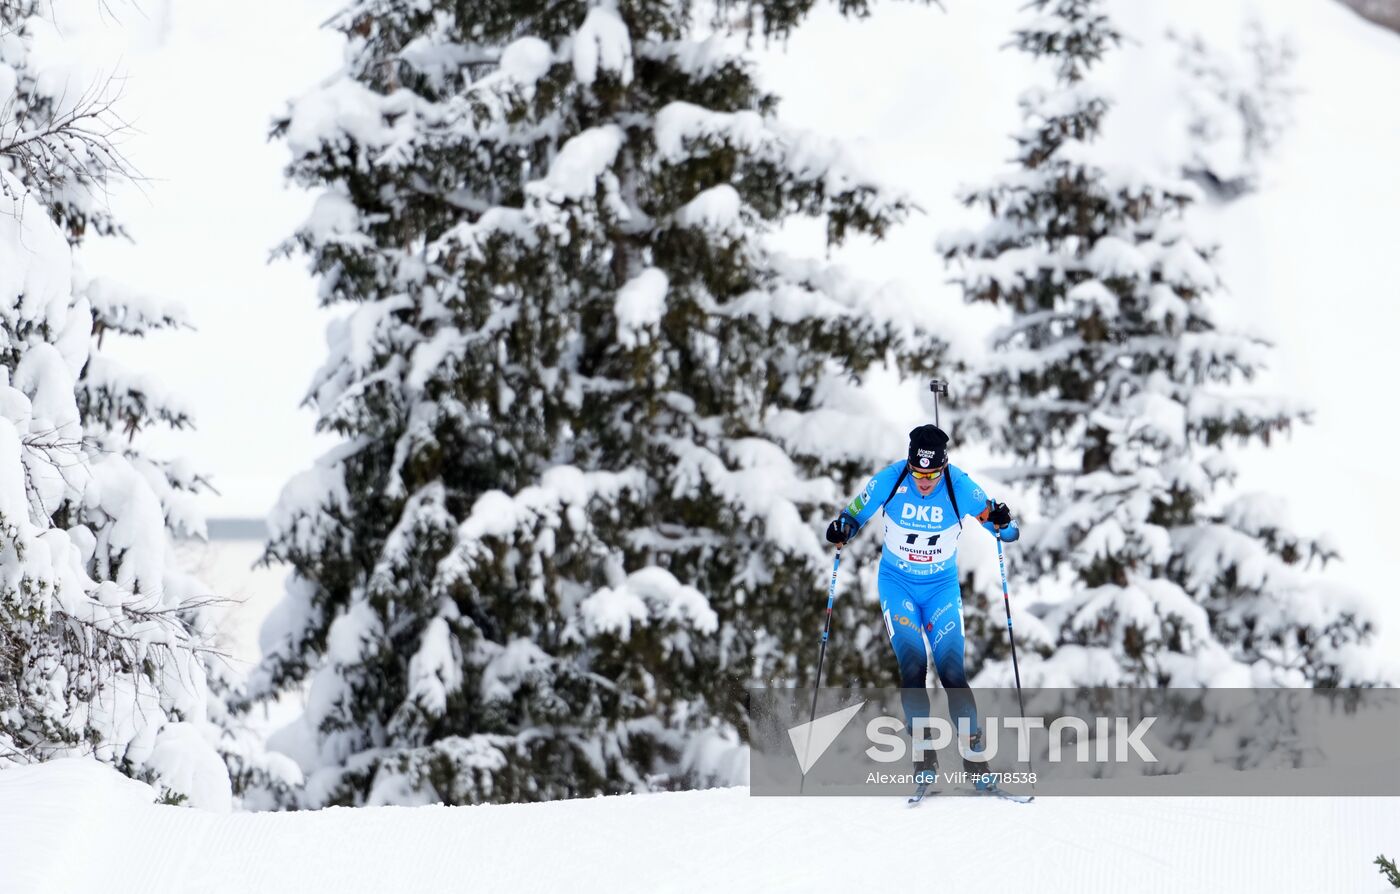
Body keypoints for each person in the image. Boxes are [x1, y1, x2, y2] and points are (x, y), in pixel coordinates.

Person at [825, 424, 1019, 790]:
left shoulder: (959, 486)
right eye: (919, 473)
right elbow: (852, 515)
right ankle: (924, 760)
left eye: (932, 474)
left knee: (952, 673)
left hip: (941, 589)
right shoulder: (891, 478)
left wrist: (1003, 522)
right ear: (910, 465)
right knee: (913, 666)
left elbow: (1005, 531)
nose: (925, 481)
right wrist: (841, 529)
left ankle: (977, 765)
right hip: (898, 585)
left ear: (943, 467)